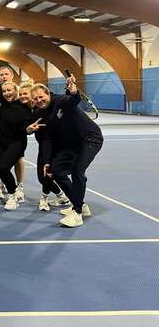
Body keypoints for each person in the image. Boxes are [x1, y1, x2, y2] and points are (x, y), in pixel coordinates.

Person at [29, 76, 103, 227]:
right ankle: (80, 204)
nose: (39, 100)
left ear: (48, 94)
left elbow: (73, 100)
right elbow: (48, 138)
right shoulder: (39, 113)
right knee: (56, 172)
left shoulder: (61, 101)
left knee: (77, 171)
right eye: (35, 99)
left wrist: (74, 91)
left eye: (41, 97)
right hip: (71, 144)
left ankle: (77, 214)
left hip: (90, 138)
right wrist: (47, 161)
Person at [0, 57, 33, 211]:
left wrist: (29, 130)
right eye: (4, 91)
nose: (6, 93)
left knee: (4, 167)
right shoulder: (3, 102)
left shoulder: (24, 107)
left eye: (9, 90)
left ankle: (13, 195)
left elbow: (26, 127)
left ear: (15, 91)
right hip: (2, 141)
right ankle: (14, 192)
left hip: (17, 143)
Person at [20, 82, 69, 211]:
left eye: (26, 94)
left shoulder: (46, 107)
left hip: (54, 146)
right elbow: (26, 127)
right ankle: (62, 196)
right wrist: (28, 129)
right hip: (43, 145)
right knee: (42, 177)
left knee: (48, 174)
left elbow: (69, 100)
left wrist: (72, 91)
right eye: (21, 94)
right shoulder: (31, 110)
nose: (23, 96)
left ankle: (45, 198)